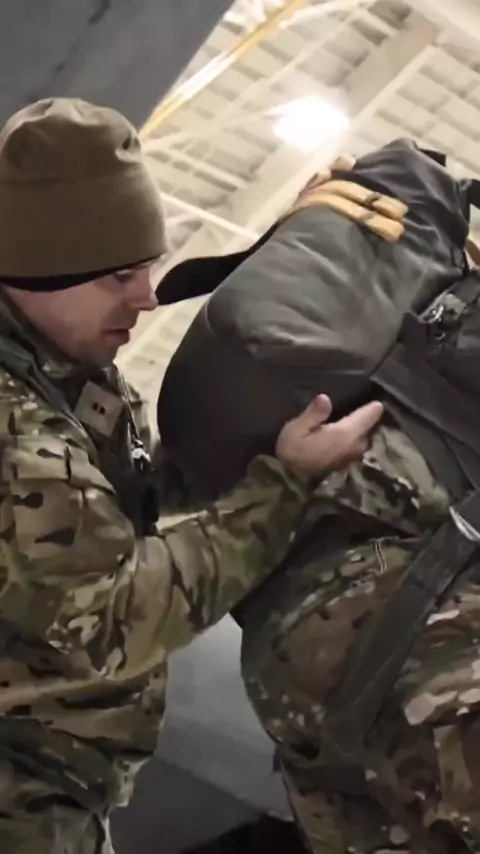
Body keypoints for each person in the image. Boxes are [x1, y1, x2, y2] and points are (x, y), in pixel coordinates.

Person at [0, 97, 383, 854]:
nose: (146, 296)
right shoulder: (15, 435)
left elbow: (139, 492)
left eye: (146, 267)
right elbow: (116, 620)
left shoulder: (68, 377)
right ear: (38, 270)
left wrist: (293, 258)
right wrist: (281, 489)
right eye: (119, 275)